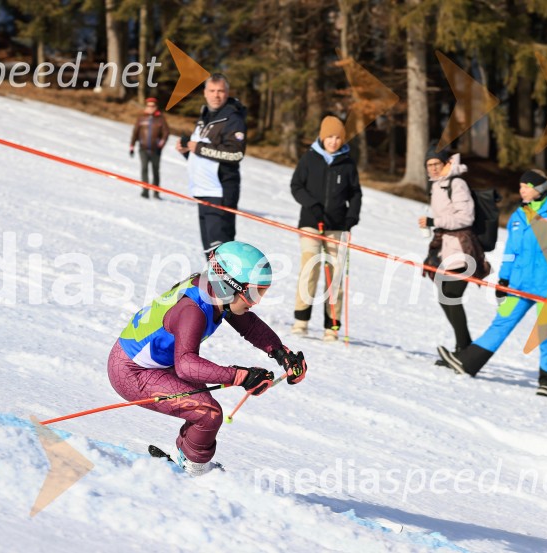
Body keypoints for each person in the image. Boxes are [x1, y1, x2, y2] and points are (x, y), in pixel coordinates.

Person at [108, 241, 307, 476]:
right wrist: (241, 376)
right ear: (228, 285)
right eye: (254, 293)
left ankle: (185, 463)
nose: (256, 301)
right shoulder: (193, 310)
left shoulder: (213, 292)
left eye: (261, 293)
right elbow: (186, 366)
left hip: (160, 363)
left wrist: (282, 354)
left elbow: (249, 325)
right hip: (132, 372)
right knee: (208, 413)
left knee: (205, 411)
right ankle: (194, 472)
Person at [437, 169, 547, 398]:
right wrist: (504, 279)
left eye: (526, 186)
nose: (521, 190)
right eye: (521, 186)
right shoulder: (518, 215)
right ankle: (468, 362)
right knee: (500, 323)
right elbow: (510, 251)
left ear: (539, 189)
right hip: (518, 285)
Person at [289, 116, 362, 342]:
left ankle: (332, 324)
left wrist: (351, 216)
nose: (333, 141)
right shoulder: (310, 159)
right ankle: (301, 319)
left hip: (337, 225)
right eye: (330, 136)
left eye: (338, 137)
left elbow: (356, 193)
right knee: (310, 269)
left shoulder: (347, 163)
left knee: (335, 275)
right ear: (322, 137)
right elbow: (296, 186)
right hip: (311, 222)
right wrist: (312, 204)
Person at [419, 146, 490, 364]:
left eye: (436, 164)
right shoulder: (439, 185)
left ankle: (464, 349)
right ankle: (464, 347)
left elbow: (465, 218)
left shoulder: (456, 184)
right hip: (445, 248)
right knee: (444, 296)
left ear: (446, 164)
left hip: (462, 247)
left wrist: (434, 222)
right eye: (429, 165)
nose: (432, 168)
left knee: (451, 295)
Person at [176, 74, 247, 257]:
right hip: (204, 188)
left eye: (220, 91)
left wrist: (198, 148)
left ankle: (226, 285)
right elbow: (204, 156)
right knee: (210, 251)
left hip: (221, 190)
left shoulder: (233, 118)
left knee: (221, 250)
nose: (216, 95)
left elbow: (235, 154)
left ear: (227, 93)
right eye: (212, 91)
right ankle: (214, 285)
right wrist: (187, 151)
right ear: (205, 93)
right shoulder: (205, 117)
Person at [130, 97, 170, 199]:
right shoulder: (141, 118)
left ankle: (156, 192)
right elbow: (135, 132)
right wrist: (132, 145)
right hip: (143, 148)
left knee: (155, 171)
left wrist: (161, 143)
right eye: (148, 106)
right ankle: (145, 191)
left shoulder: (160, 119)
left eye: (153, 106)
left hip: (156, 150)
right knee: (144, 169)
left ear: (156, 107)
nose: (150, 108)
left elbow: (166, 133)